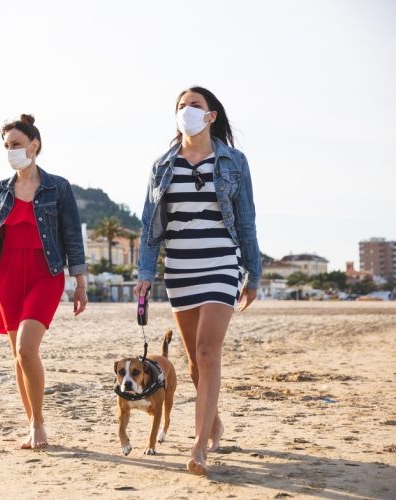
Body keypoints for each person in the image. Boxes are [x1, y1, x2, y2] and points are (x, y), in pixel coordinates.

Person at [134, 87, 261, 475]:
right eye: (181, 106)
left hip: (222, 263)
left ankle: (199, 445)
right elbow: (149, 226)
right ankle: (214, 420)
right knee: (193, 362)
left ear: (211, 116)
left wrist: (252, 272)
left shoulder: (233, 161)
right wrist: (144, 273)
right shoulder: (162, 165)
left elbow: (246, 219)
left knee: (208, 354)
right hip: (181, 268)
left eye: (195, 105)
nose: (186, 111)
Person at [0, 114, 88, 449]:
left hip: (45, 274)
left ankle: (39, 424)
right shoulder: (0, 191)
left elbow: (72, 237)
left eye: (17, 145)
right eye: (7, 146)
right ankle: (32, 423)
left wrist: (80, 283)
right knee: (17, 356)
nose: (12, 152)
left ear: (34, 146)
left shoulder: (58, 187)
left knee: (26, 348)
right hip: (7, 277)